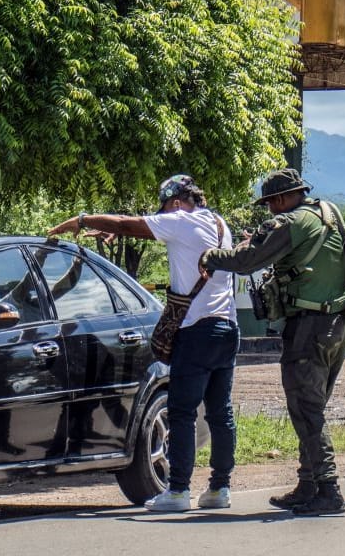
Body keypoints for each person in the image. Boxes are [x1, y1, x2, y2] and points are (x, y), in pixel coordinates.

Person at [48, 174, 239, 512]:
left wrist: (82, 221)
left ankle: (178, 490)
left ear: (177, 202)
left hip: (196, 331)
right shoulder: (220, 224)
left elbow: (128, 223)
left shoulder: (180, 220)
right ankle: (220, 488)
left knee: (181, 411)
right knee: (220, 413)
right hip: (228, 328)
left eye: (164, 207)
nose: (163, 215)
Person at [199, 168, 345, 516]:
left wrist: (211, 257)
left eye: (270, 203)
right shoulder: (329, 213)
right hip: (339, 324)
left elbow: (246, 261)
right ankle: (309, 484)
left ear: (281, 199)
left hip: (308, 328)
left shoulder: (287, 223)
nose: (269, 210)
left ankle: (329, 489)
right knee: (311, 407)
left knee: (306, 410)